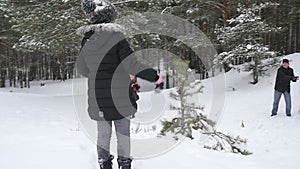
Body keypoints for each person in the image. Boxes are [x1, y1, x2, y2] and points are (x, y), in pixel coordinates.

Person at [76, 0, 164, 169]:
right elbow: (131, 64)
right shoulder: (116, 37)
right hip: (120, 97)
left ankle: (104, 164)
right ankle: (124, 165)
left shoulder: (87, 40)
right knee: (123, 134)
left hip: (98, 96)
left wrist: (96, 75)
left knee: (103, 135)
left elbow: (82, 68)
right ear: (110, 16)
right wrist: (154, 76)